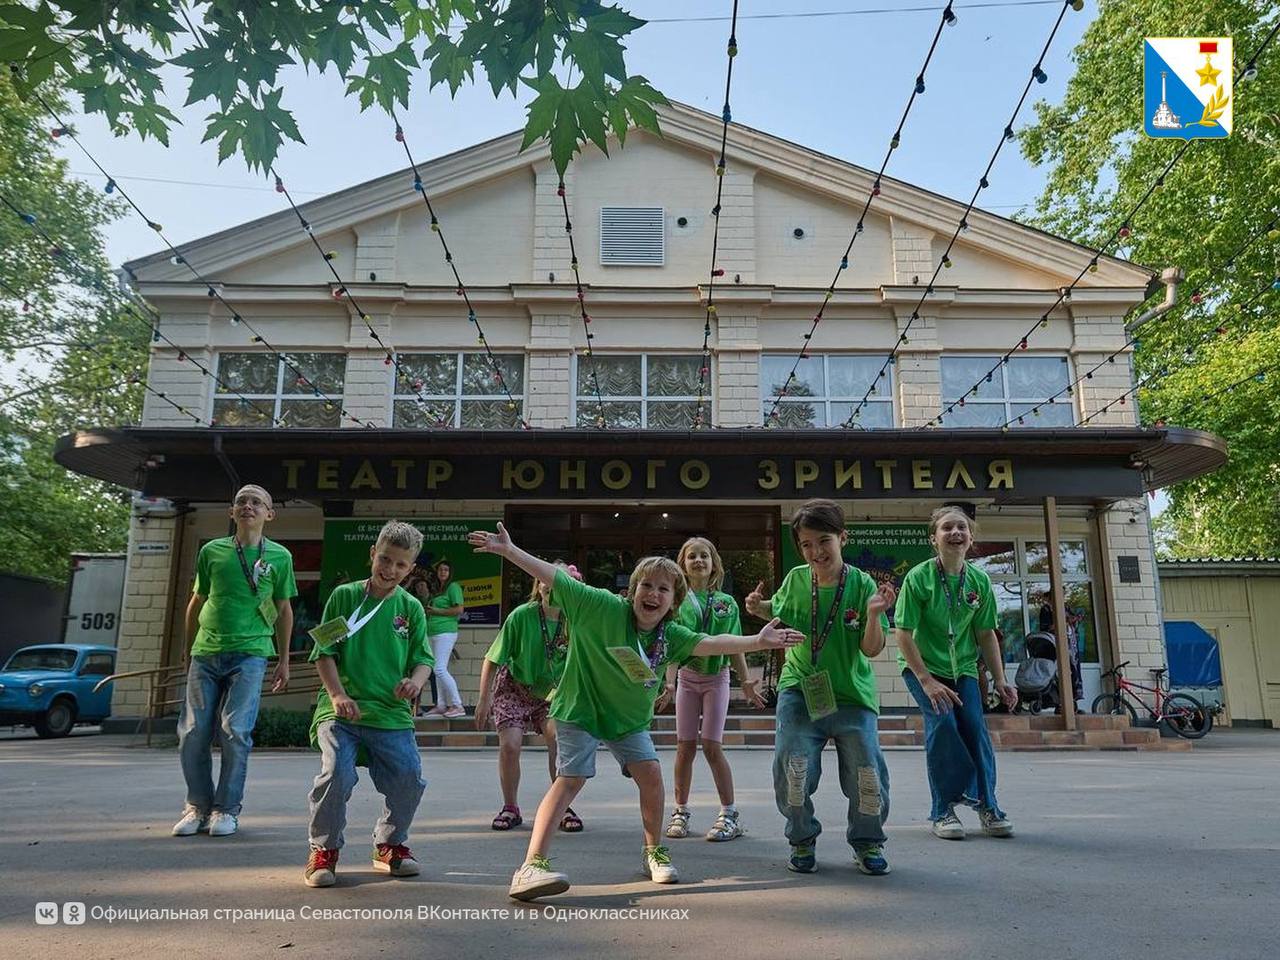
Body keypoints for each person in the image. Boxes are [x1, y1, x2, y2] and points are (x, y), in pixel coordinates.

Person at [467, 523, 803, 901]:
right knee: (570, 778)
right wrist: (510, 552)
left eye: (664, 589)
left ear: (673, 601)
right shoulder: (601, 606)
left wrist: (758, 640)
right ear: (632, 591)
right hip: (580, 709)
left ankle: (653, 852)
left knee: (651, 774)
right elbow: (555, 578)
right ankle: (530, 866)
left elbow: (710, 642)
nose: (654, 594)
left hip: (628, 720)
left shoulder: (671, 635)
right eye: (647, 585)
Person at [745, 498, 897, 876]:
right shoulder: (796, 579)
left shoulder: (862, 584)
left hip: (851, 695)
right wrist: (756, 607)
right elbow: (778, 608)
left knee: (867, 775)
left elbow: (871, 648)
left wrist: (875, 614)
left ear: (842, 538)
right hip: (800, 690)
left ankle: (867, 842)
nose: (815, 551)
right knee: (793, 770)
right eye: (806, 544)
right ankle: (801, 838)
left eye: (823, 541)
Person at [304, 521, 433, 887]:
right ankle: (323, 851)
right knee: (337, 774)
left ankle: (390, 844)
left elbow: (423, 659)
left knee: (409, 778)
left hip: (390, 713)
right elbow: (323, 652)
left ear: (411, 569)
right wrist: (337, 694)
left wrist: (415, 682)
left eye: (401, 565)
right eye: (385, 559)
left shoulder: (411, 609)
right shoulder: (345, 597)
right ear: (372, 555)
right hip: (341, 710)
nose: (390, 570)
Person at [172, 484, 296, 838]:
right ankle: (197, 805)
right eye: (241, 501)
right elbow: (197, 601)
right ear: (231, 512)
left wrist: (284, 659)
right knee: (193, 732)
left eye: (257, 502)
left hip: (252, 653)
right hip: (206, 651)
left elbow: (284, 609)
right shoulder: (212, 551)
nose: (248, 506)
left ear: (269, 514)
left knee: (234, 730)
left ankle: (226, 809)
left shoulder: (280, 557)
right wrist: (187, 647)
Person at [895, 505, 1018, 841]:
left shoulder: (978, 581)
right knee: (944, 724)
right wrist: (926, 680)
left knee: (976, 729)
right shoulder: (919, 577)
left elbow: (985, 635)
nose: (955, 533)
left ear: (971, 537)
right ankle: (943, 810)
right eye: (947, 528)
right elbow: (903, 634)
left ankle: (988, 806)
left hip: (963, 668)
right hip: (923, 668)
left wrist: (1001, 679)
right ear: (934, 538)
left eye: (962, 527)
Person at [658, 537, 765, 843]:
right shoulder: (676, 603)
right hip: (688, 680)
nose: (698, 561)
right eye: (692, 556)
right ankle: (680, 811)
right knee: (685, 747)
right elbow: (673, 646)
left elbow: (735, 646)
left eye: (704, 556)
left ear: (714, 563)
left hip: (717, 678)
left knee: (712, 746)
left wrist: (745, 681)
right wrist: (668, 682)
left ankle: (729, 813)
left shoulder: (726, 603)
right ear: (683, 565)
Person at [475, 563, 585, 833]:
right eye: (547, 581)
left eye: (560, 583)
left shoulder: (576, 621)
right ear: (539, 586)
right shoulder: (521, 616)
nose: (552, 587)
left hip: (553, 692)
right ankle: (510, 807)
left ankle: (561, 806)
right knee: (510, 745)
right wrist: (483, 698)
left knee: (558, 740)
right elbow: (491, 659)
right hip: (515, 686)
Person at [421, 558, 466, 718]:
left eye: (446, 570)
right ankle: (440, 705)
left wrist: (436, 612)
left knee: (439, 669)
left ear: (450, 572)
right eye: (440, 570)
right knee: (437, 669)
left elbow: (459, 609)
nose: (442, 572)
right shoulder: (439, 589)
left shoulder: (453, 587)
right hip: (433, 632)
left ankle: (457, 705)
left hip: (445, 632)